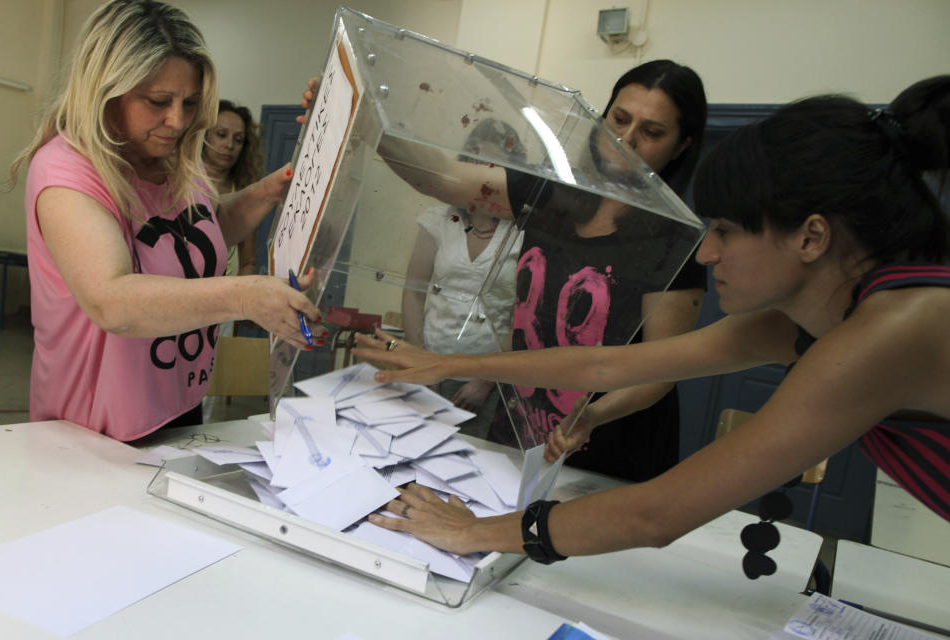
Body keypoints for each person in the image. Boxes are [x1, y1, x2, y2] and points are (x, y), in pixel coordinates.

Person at [353, 76, 950, 561]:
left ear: (811, 237)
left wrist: (474, 533)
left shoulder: (889, 331)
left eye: (725, 231)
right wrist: (448, 362)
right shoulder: (816, 316)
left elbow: (657, 513)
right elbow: (607, 361)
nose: (708, 251)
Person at [349, 60, 707, 482]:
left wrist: (589, 415)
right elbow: (440, 179)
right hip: (519, 431)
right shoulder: (550, 194)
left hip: (606, 447)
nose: (625, 140)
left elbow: (660, 371)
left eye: (651, 132)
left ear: (681, 146)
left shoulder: (675, 241)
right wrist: (364, 119)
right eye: (619, 119)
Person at [8, 0, 321, 442]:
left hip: (178, 405)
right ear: (105, 89)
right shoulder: (66, 170)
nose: (177, 121)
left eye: (190, 102)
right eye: (158, 101)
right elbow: (111, 301)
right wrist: (246, 297)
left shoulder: (172, 158)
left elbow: (200, 235)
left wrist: (273, 189)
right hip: (94, 431)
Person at [402, 118, 527, 439]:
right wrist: (421, 361)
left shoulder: (524, 234)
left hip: (490, 379)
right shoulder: (439, 220)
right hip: (431, 365)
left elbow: (525, 318)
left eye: (493, 165)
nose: (481, 173)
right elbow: (413, 292)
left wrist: (486, 381)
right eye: (473, 161)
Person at [202, 99, 264, 278]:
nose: (229, 145)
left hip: (218, 293)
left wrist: (238, 299)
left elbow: (248, 262)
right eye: (221, 134)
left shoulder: (244, 194)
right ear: (204, 135)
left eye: (238, 140)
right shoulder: (179, 180)